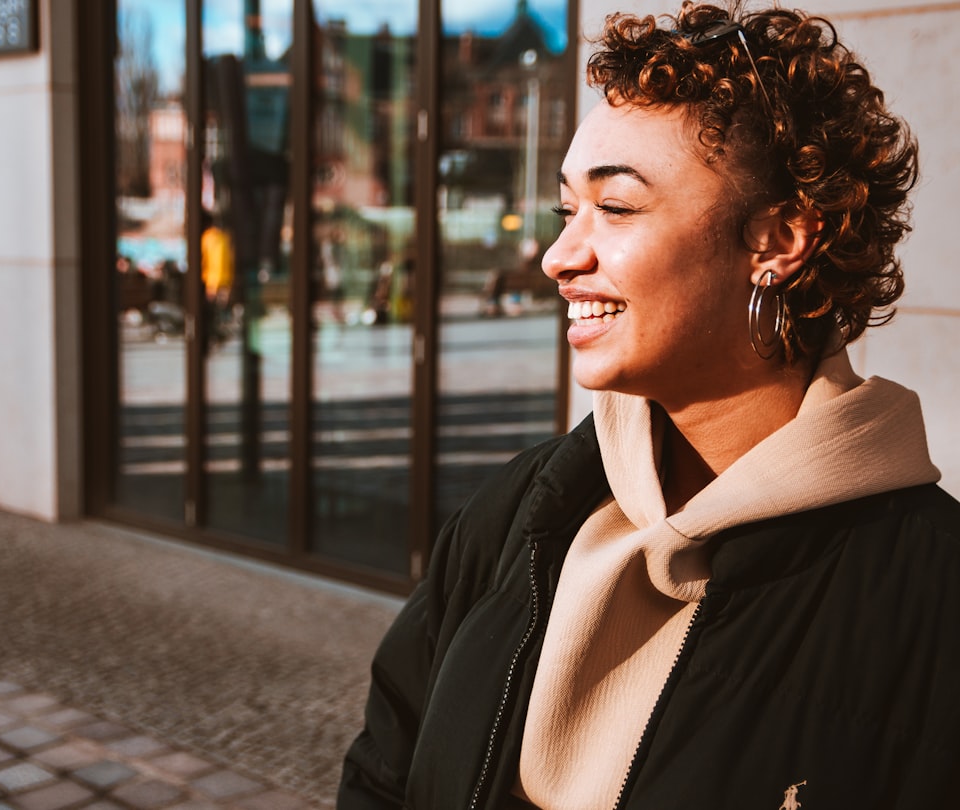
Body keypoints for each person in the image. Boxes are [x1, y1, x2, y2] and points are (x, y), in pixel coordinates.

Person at [337, 2, 960, 808]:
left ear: (777, 241)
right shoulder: (521, 513)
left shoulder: (930, 603)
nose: (560, 256)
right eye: (568, 210)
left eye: (618, 207)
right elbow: (386, 774)